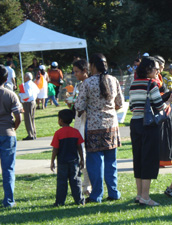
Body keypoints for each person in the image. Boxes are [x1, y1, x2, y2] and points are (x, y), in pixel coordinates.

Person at [75, 53, 124, 203]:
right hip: (111, 126)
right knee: (111, 161)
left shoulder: (88, 83)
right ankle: (113, 192)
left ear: (93, 66)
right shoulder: (113, 80)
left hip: (94, 127)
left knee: (95, 163)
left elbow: (79, 106)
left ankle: (96, 195)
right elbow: (120, 103)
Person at [129, 56, 172, 206]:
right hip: (148, 125)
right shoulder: (152, 84)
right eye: (155, 68)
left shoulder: (134, 83)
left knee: (138, 159)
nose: (157, 71)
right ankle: (146, 197)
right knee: (148, 159)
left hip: (135, 123)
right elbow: (160, 107)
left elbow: (131, 106)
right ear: (148, 69)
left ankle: (139, 194)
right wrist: (168, 103)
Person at [50, 109, 85, 206]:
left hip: (62, 162)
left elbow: (55, 149)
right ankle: (79, 200)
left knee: (61, 182)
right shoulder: (75, 132)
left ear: (60, 120)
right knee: (76, 181)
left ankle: (60, 202)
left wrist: (52, 161)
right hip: (74, 161)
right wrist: (82, 159)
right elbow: (80, 147)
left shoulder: (58, 133)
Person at [0, 64, 22, 207]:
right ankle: (9, 200)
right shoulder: (10, 94)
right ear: (6, 78)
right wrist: (13, 128)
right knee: (8, 169)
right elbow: (18, 116)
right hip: (7, 133)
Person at [72, 59, 91, 195]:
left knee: (87, 153)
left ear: (85, 71)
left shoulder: (91, 84)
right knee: (81, 153)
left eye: (77, 71)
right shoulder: (79, 85)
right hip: (79, 121)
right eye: (74, 72)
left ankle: (88, 185)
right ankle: (84, 184)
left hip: (88, 122)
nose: (75, 74)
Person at [19, 72, 40, 140]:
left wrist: (20, 95)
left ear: (27, 77)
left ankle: (30, 134)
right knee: (32, 118)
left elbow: (28, 94)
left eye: (25, 76)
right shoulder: (33, 83)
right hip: (33, 101)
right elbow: (38, 91)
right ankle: (34, 133)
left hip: (28, 102)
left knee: (28, 119)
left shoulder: (27, 84)